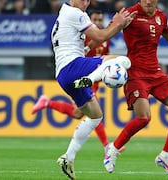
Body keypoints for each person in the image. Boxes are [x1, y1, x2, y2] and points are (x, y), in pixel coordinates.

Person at [93, 0, 168, 178]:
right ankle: (113, 150)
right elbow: (105, 34)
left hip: (156, 73)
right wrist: (117, 24)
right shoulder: (130, 13)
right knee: (144, 118)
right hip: (136, 73)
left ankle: (165, 156)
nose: (147, 1)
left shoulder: (161, 16)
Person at [49, 1, 136, 179]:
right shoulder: (75, 13)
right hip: (72, 67)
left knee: (96, 115)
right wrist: (117, 23)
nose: (86, 2)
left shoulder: (65, 13)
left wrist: (118, 25)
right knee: (124, 61)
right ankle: (91, 79)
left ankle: (68, 158)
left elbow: (96, 40)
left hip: (63, 75)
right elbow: (100, 36)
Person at [31, 10, 124, 155]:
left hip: (96, 78)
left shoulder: (104, 39)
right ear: (90, 20)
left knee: (77, 113)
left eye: (100, 20)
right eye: (95, 20)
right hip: (84, 75)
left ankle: (47, 103)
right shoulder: (84, 33)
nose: (98, 22)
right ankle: (106, 146)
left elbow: (100, 45)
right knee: (95, 113)